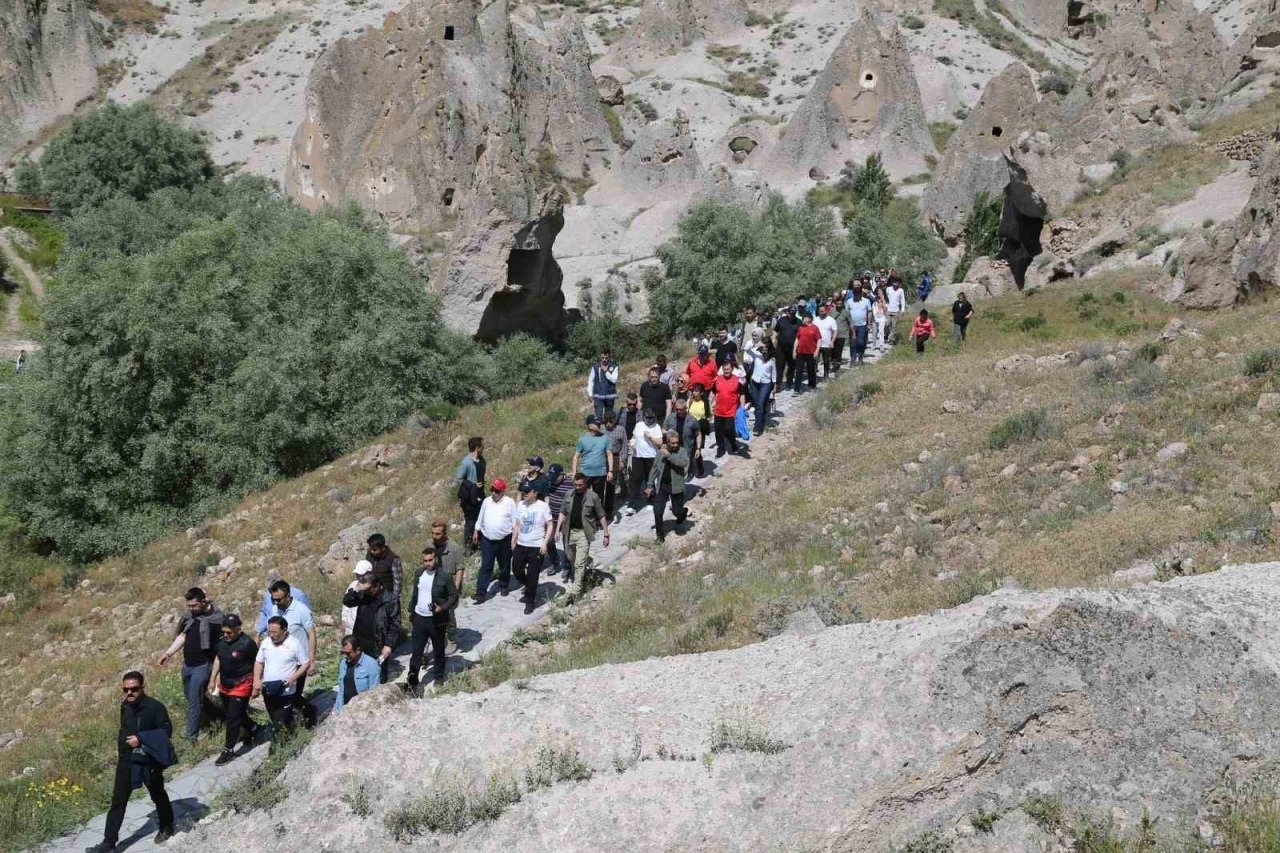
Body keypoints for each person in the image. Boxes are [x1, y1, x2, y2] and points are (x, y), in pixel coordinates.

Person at [87, 671, 175, 853]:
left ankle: (167, 826)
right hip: (126, 761)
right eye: (126, 689)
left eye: (134, 689)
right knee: (118, 800)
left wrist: (141, 739)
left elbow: (166, 731)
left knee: (157, 793)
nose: (129, 692)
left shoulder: (155, 707)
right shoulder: (125, 706)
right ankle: (108, 843)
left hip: (147, 760)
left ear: (142, 687)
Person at [155, 587, 224, 743]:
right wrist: (167, 654)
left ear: (203, 602)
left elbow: (223, 645)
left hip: (203, 666)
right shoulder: (190, 617)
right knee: (193, 698)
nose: (191, 609)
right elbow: (183, 636)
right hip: (187, 666)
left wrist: (217, 673)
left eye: (194, 605)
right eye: (189, 606)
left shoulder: (216, 619)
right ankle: (217, 717)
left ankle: (190, 736)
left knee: (194, 702)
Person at [208, 614, 259, 766]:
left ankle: (228, 750)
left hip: (242, 683)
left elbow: (258, 663)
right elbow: (218, 658)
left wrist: (257, 684)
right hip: (225, 683)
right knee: (235, 712)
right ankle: (253, 727)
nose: (225, 635)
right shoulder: (221, 641)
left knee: (232, 717)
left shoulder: (247, 643)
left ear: (238, 629)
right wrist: (212, 678)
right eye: (223, 632)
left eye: (229, 632)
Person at [265, 580, 317, 724]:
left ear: (288, 595)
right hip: (281, 660)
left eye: (279, 599)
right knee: (281, 693)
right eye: (273, 600)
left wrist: (312, 660)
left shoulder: (301, 610)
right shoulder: (275, 610)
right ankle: (294, 719)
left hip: (299, 661)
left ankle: (308, 713)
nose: (276, 603)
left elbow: (312, 634)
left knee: (293, 694)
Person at [407, 548, 458, 689]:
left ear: (435, 559)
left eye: (430, 560)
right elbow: (415, 595)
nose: (428, 563)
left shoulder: (444, 576)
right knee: (416, 652)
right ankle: (412, 681)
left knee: (438, 650)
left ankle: (439, 678)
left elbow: (453, 596)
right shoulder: (419, 573)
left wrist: (442, 608)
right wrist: (412, 613)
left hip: (437, 620)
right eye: (425, 561)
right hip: (419, 618)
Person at [252, 617, 308, 737]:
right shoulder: (266, 642)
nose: (271, 635)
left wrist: (293, 678)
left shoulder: (294, 643)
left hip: (286, 689)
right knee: (274, 715)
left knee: (284, 717)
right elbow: (259, 662)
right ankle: (282, 736)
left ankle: (287, 739)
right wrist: (256, 680)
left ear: (284, 630)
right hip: (268, 688)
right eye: (269, 632)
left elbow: (305, 663)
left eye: (275, 632)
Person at [560, 472, 610, 603]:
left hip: (584, 533)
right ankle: (588, 565)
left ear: (585, 483)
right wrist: (557, 529)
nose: (577, 487)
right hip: (569, 532)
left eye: (580, 485)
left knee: (579, 564)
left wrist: (606, 534)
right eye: (575, 485)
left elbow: (601, 515)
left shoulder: (593, 497)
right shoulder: (568, 494)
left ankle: (576, 591)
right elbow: (563, 512)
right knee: (571, 557)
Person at [341, 575, 398, 680]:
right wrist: (355, 590)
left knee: (377, 674)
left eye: (369, 589)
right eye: (365, 589)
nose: (367, 592)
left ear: (377, 585)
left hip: (378, 642)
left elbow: (394, 624)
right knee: (358, 672)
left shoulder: (390, 599)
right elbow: (347, 601)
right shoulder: (364, 595)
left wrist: (389, 645)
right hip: (360, 641)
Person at [511, 483, 554, 614]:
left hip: (536, 546)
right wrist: (513, 538)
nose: (524, 493)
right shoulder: (520, 505)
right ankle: (529, 585)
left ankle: (530, 601)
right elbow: (517, 524)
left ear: (535, 493)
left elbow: (550, 525)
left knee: (532, 574)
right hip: (521, 544)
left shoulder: (543, 506)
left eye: (527, 491)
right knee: (517, 570)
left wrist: (545, 543)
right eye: (523, 491)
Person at [473, 478, 517, 602]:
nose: (493, 493)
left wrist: (514, 539)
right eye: (492, 489)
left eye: (496, 491)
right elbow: (481, 517)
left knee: (504, 565)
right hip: (487, 539)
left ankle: (504, 585)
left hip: (504, 540)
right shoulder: (486, 501)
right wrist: (476, 530)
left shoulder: (509, 502)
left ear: (503, 491)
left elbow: (515, 521)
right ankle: (481, 592)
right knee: (486, 566)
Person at [645, 430, 689, 543]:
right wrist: (649, 485)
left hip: (676, 487)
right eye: (672, 443)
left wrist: (669, 456)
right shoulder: (661, 452)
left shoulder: (682, 452)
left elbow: (683, 463)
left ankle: (682, 515)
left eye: (677, 443)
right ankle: (660, 536)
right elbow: (654, 469)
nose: (675, 445)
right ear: (668, 442)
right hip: (662, 486)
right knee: (657, 510)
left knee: (676, 511)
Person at [430, 520, 463, 655]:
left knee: (449, 614)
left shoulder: (453, 548)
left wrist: (455, 589)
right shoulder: (430, 546)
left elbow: (460, 568)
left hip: (449, 586)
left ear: (444, 533)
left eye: (437, 534)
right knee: (434, 613)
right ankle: (439, 638)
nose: (434, 536)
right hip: (434, 585)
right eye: (432, 533)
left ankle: (452, 640)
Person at [570, 414, 614, 503]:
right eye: (596, 424)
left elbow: (609, 454)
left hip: (600, 473)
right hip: (585, 473)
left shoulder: (604, 438)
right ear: (590, 426)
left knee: (598, 498)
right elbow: (576, 457)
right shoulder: (582, 439)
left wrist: (610, 471)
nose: (599, 425)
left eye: (599, 423)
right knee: (582, 497)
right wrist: (574, 473)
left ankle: (597, 512)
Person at [332, 635, 382, 712]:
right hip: (344, 709)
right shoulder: (343, 663)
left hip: (361, 710)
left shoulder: (371, 665)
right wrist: (336, 709)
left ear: (358, 650)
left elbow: (374, 693)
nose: (346, 656)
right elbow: (341, 691)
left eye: (348, 653)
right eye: (343, 653)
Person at [454, 436, 486, 550]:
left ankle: (480, 543)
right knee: (470, 521)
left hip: (480, 495)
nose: (484, 448)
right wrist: (473, 485)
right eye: (482, 446)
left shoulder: (482, 460)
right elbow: (458, 479)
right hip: (469, 498)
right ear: (477, 448)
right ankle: (468, 546)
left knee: (482, 519)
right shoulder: (466, 463)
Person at [710, 360, 747, 457]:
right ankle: (721, 449)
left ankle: (733, 444)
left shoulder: (737, 380)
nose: (726, 371)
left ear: (732, 369)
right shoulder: (717, 379)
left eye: (728, 369)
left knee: (729, 429)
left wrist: (742, 408)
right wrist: (709, 404)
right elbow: (713, 392)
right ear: (722, 369)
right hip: (718, 411)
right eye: (725, 369)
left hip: (731, 411)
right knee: (718, 431)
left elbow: (742, 394)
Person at [630, 408, 664, 508]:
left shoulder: (656, 427)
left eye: (651, 418)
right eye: (647, 418)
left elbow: (660, 443)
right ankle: (632, 504)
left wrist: (650, 437)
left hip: (651, 456)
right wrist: (632, 442)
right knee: (635, 479)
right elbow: (634, 437)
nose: (649, 420)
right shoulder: (639, 425)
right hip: (638, 455)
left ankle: (651, 500)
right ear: (643, 417)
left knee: (650, 479)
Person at [545, 464, 573, 577]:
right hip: (552, 518)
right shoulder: (549, 481)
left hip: (566, 518)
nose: (553, 480)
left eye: (555, 477)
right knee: (549, 540)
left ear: (562, 474)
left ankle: (567, 566)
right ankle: (554, 562)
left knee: (567, 543)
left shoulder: (571, 483)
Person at [365, 533, 403, 610]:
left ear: (382, 548)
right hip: (372, 594)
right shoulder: (369, 555)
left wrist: (393, 600)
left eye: (375, 550)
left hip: (387, 596)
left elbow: (397, 581)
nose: (372, 551)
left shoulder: (393, 559)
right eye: (370, 549)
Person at [603, 412, 628, 520]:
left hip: (615, 457)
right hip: (602, 458)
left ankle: (608, 511)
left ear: (614, 420)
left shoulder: (621, 429)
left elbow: (624, 446)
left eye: (610, 421)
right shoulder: (601, 430)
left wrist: (622, 460)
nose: (608, 424)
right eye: (606, 421)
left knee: (611, 484)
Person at [749, 337, 777, 436]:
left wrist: (774, 386)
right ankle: (761, 418)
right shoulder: (756, 355)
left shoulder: (772, 359)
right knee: (757, 404)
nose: (764, 350)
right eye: (763, 348)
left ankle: (757, 427)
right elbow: (747, 349)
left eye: (766, 348)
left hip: (766, 383)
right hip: (755, 382)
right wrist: (758, 344)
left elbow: (774, 373)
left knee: (760, 404)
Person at [585, 349, 620, 422]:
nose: (604, 360)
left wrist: (606, 371)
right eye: (602, 358)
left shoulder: (614, 367)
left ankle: (608, 429)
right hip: (598, 396)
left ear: (609, 358)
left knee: (609, 417)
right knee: (598, 416)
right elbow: (590, 380)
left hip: (610, 396)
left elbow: (614, 380)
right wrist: (590, 394)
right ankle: (599, 428)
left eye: (606, 358)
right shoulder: (595, 367)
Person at [340, 561, 374, 636]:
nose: (359, 577)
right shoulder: (353, 585)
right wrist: (344, 619)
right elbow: (346, 604)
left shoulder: (374, 589)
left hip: (365, 630)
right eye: (357, 574)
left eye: (361, 575)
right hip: (350, 628)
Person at [773, 307, 800, 392]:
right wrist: (774, 340)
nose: (792, 315)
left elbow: (800, 335)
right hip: (781, 348)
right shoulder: (782, 320)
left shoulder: (798, 322)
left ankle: (789, 382)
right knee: (779, 367)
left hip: (793, 348)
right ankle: (778, 385)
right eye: (790, 313)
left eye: (793, 314)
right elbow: (775, 330)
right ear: (787, 313)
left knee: (791, 366)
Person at [845, 284, 874, 366]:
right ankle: (853, 359)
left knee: (861, 342)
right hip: (852, 325)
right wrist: (847, 324)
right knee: (852, 343)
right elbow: (846, 313)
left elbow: (869, 312)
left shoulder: (866, 301)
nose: (856, 295)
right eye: (855, 293)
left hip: (863, 325)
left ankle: (860, 358)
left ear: (861, 294)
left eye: (858, 293)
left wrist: (869, 324)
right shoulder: (849, 301)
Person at [794, 313, 821, 392]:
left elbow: (819, 339)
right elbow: (797, 339)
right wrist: (794, 350)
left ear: (809, 319)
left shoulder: (815, 328)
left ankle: (812, 386)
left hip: (811, 352)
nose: (803, 319)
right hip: (800, 352)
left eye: (804, 318)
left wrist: (817, 350)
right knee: (799, 371)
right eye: (802, 318)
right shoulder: (800, 328)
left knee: (811, 370)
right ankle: (797, 389)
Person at [688, 384, 710, 477]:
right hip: (690, 428)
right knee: (689, 450)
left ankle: (700, 470)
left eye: (696, 391)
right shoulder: (690, 401)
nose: (694, 392)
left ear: (701, 393)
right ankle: (690, 471)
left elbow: (708, 416)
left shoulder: (704, 403)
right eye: (693, 390)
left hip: (700, 430)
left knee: (697, 449)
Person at [815, 304, 839, 378]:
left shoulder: (831, 320)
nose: (821, 313)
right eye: (820, 311)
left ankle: (826, 374)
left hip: (827, 344)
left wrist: (832, 342)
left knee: (826, 360)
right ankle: (813, 375)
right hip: (816, 344)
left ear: (826, 311)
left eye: (822, 311)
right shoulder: (815, 319)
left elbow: (835, 331)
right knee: (815, 360)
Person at [887, 277, 907, 344]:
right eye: (894, 282)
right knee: (887, 324)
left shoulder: (901, 290)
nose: (895, 284)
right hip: (888, 309)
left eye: (897, 283)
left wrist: (903, 309)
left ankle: (891, 339)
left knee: (894, 326)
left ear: (899, 284)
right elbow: (885, 298)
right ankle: (889, 335)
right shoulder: (888, 289)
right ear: (893, 283)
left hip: (896, 311)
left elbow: (902, 300)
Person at [832, 301, 849, 369]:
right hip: (833, 334)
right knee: (833, 349)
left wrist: (851, 332)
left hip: (842, 334)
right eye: (838, 304)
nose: (839, 305)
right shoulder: (832, 311)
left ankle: (838, 363)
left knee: (839, 350)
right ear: (835, 304)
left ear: (842, 305)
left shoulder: (846, 312)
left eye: (840, 304)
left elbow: (850, 322)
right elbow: (829, 320)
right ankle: (834, 361)